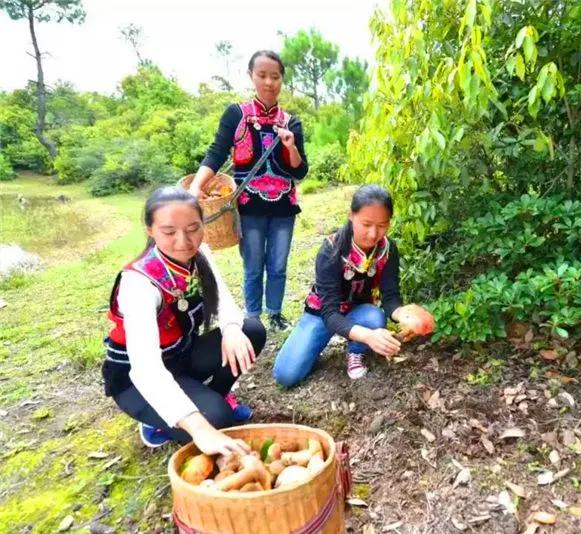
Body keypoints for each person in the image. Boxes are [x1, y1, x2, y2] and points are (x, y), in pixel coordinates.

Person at [102, 187, 266, 453]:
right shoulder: (139, 284)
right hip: (135, 380)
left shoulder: (199, 255)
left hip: (180, 356)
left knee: (251, 330)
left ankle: (211, 397)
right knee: (218, 420)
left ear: (203, 224)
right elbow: (146, 369)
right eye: (169, 232)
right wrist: (200, 428)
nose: (184, 241)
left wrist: (233, 329)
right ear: (150, 231)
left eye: (193, 228)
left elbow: (224, 301)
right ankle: (160, 419)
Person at [190, 50, 308, 331]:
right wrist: (196, 186)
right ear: (251, 76)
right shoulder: (236, 114)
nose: (269, 82)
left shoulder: (291, 122)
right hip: (248, 204)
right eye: (262, 75)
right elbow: (216, 153)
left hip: (283, 205)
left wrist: (290, 146)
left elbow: (300, 171)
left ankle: (276, 313)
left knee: (278, 264)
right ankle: (253, 317)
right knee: (253, 265)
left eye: (275, 76)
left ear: (282, 80)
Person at [273, 185, 422, 386]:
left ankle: (356, 352)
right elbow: (329, 313)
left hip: (359, 314)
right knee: (286, 376)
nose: (373, 234)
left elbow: (390, 297)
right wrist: (369, 336)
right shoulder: (331, 250)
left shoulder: (388, 249)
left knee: (374, 315)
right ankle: (312, 342)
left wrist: (405, 316)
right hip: (323, 315)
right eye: (366, 224)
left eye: (382, 225)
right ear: (351, 216)